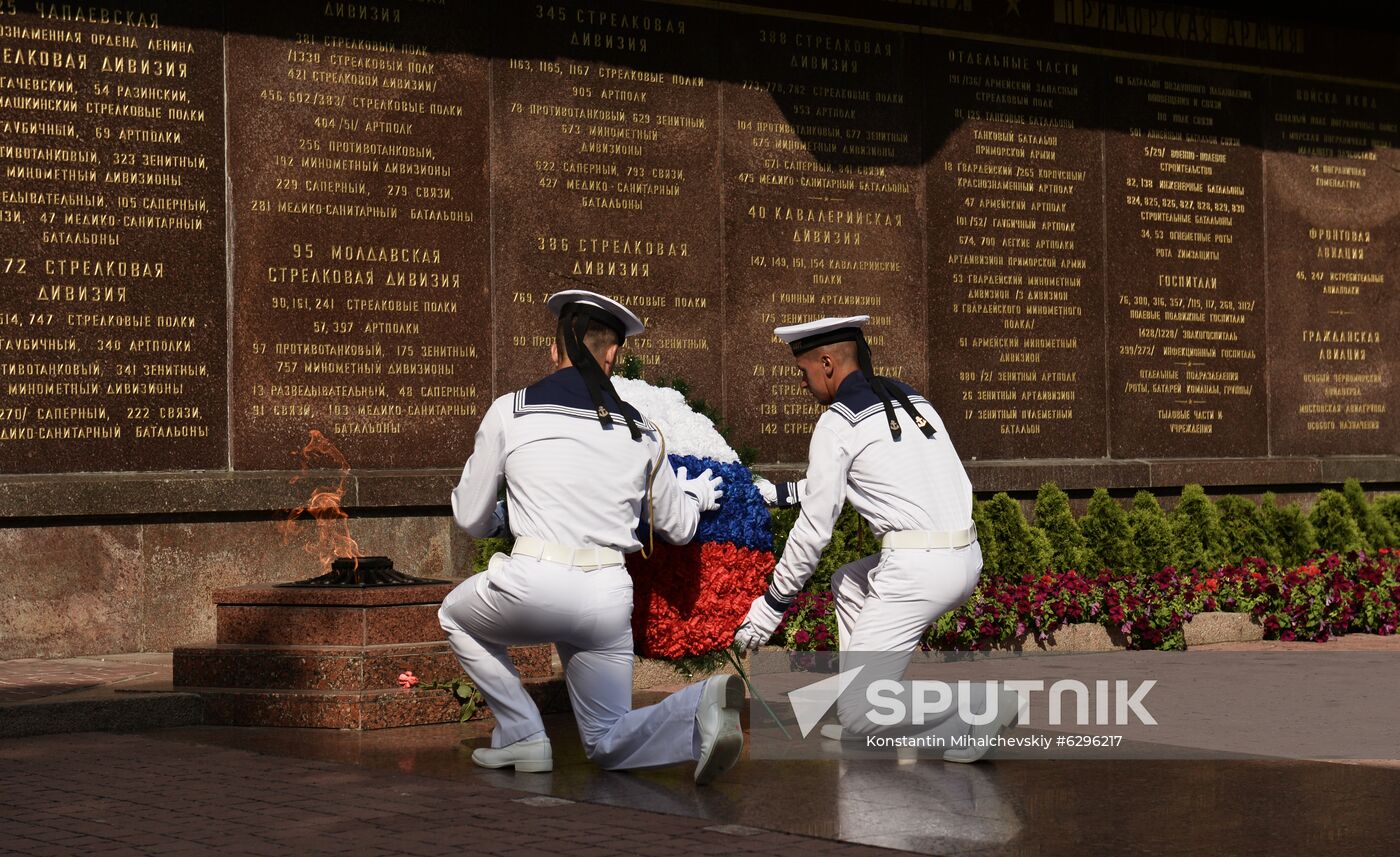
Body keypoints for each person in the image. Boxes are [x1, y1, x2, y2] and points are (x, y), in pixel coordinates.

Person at [439, 289, 744, 783]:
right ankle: (696, 707)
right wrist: (697, 498)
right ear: (611, 355)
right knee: (606, 739)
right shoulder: (641, 430)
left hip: (531, 583)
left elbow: (472, 520)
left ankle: (523, 735)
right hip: (606, 594)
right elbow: (680, 528)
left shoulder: (509, 412)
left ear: (555, 350)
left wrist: (505, 516)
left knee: (456, 617)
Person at [738, 316, 1018, 761]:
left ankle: (974, 706)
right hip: (965, 557)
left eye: (804, 372)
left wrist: (771, 606)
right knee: (850, 582)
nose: (804, 384)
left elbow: (814, 531)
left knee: (857, 709)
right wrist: (781, 494)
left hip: (918, 570)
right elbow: (875, 477)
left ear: (826, 363)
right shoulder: (911, 399)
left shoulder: (837, 422)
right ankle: (876, 716)